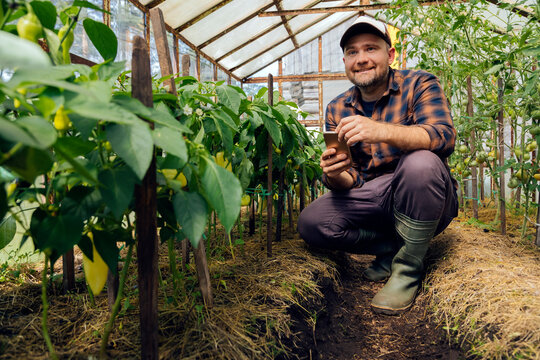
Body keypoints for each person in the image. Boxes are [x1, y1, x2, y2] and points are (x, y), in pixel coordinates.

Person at [297, 16, 458, 315]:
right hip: (375, 197)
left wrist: (380, 130)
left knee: (421, 163)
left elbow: (444, 136)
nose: (362, 59)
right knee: (312, 223)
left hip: (423, 194)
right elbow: (352, 179)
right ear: (345, 60)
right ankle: (392, 246)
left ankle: (407, 270)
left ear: (391, 54)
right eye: (353, 52)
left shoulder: (419, 83)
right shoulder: (337, 107)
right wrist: (335, 174)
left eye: (371, 48)